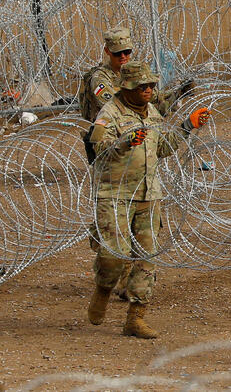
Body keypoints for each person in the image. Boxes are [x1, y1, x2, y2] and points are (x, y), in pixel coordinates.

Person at [85, 61, 210, 337]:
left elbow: (162, 147)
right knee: (112, 256)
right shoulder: (109, 114)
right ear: (128, 88)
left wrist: (187, 125)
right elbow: (98, 150)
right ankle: (104, 288)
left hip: (148, 194)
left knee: (146, 258)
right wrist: (124, 143)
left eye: (151, 86)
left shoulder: (152, 112)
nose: (149, 90)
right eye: (143, 86)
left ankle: (135, 317)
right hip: (115, 195)